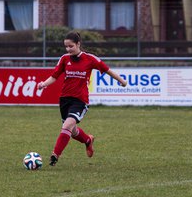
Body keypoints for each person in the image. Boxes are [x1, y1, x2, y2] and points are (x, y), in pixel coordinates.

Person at [37, 31, 127, 166]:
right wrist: (43, 84)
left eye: (71, 46)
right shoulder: (64, 59)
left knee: (67, 125)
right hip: (65, 99)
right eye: (66, 47)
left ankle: (55, 155)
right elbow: (54, 76)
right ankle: (87, 140)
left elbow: (107, 70)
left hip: (80, 100)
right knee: (71, 131)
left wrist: (122, 81)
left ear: (78, 44)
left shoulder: (90, 59)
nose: (68, 49)